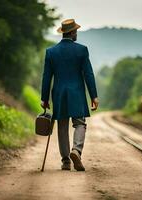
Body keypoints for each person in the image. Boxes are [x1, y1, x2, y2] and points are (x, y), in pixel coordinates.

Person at [40, 19, 99, 171]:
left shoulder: (51, 52)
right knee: (79, 123)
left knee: (62, 126)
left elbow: (47, 77)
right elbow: (88, 74)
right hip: (77, 93)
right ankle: (76, 150)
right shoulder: (82, 50)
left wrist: (44, 98)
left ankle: (66, 161)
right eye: (76, 31)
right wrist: (94, 96)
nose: (76, 33)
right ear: (72, 33)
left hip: (59, 93)